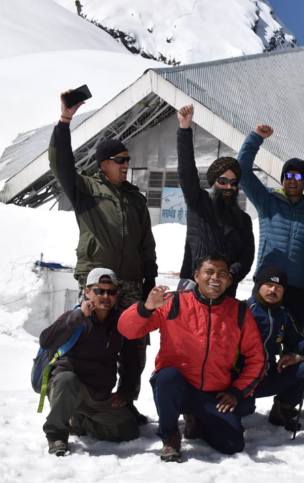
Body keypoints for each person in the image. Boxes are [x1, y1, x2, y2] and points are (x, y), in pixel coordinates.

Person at [50, 91, 158, 420]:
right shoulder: (85, 189)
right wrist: (65, 122)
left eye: (128, 160)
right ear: (104, 163)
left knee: (134, 344)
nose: (127, 165)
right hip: (98, 282)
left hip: (131, 284)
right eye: (121, 160)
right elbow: (61, 165)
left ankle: (125, 398)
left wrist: (149, 278)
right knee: (92, 341)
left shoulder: (135, 199)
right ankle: (75, 402)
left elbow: (146, 242)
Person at [118, 255, 265, 461]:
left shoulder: (239, 311)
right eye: (209, 272)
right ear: (196, 275)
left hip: (212, 394)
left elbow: (257, 358)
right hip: (177, 388)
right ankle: (170, 436)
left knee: (232, 445)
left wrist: (236, 392)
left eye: (222, 274)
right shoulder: (174, 302)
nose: (215, 277)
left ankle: (198, 422)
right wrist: (146, 307)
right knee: (167, 377)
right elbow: (127, 330)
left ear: (230, 281)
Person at [41, 268, 139, 456]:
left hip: (98, 396)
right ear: (87, 292)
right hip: (69, 390)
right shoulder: (76, 317)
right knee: (66, 379)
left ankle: (79, 420)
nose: (105, 296)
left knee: (129, 431)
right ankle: (57, 436)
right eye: (98, 291)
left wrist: (125, 391)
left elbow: (130, 359)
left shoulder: (120, 322)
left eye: (110, 292)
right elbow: (46, 340)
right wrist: (77, 317)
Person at [237, 124, 304, 330]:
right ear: (282, 179)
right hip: (267, 283)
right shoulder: (267, 202)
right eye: (288, 176)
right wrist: (256, 138)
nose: (293, 181)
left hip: (298, 288)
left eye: (299, 177)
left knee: (293, 346)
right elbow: (243, 171)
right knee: (256, 339)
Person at [176, 104, 254, 296]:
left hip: (225, 294)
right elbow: (187, 171)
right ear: (212, 182)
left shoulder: (243, 220)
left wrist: (228, 276)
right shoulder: (198, 203)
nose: (228, 187)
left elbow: (246, 257)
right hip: (192, 292)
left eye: (233, 182)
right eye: (223, 181)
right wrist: (184, 130)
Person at [246, 266, 304, 431]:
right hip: (242, 379)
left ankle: (283, 409)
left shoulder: (283, 315)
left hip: (268, 375)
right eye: (269, 285)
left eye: (279, 287)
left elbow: (297, 345)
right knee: (244, 409)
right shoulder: (243, 311)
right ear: (259, 285)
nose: (273, 290)